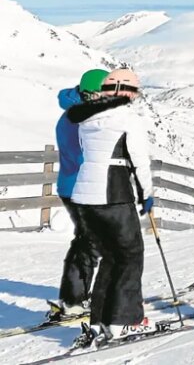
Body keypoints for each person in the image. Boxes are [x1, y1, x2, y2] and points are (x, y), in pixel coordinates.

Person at [67, 68, 155, 343]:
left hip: (85, 197)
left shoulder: (86, 120)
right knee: (130, 255)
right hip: (113, 193)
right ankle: (125, 321)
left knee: (111, 257)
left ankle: (100, 321)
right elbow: (139, 160)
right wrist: (147, 194)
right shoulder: (128, 119)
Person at [50, 69, 109, 320]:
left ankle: (75, 298)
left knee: (89, 240)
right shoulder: (77, 120)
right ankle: (74, 301)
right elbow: (83, 157)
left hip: (78, 187)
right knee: (90, 242)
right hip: (80, 188)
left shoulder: (83, 113)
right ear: (91, 92)